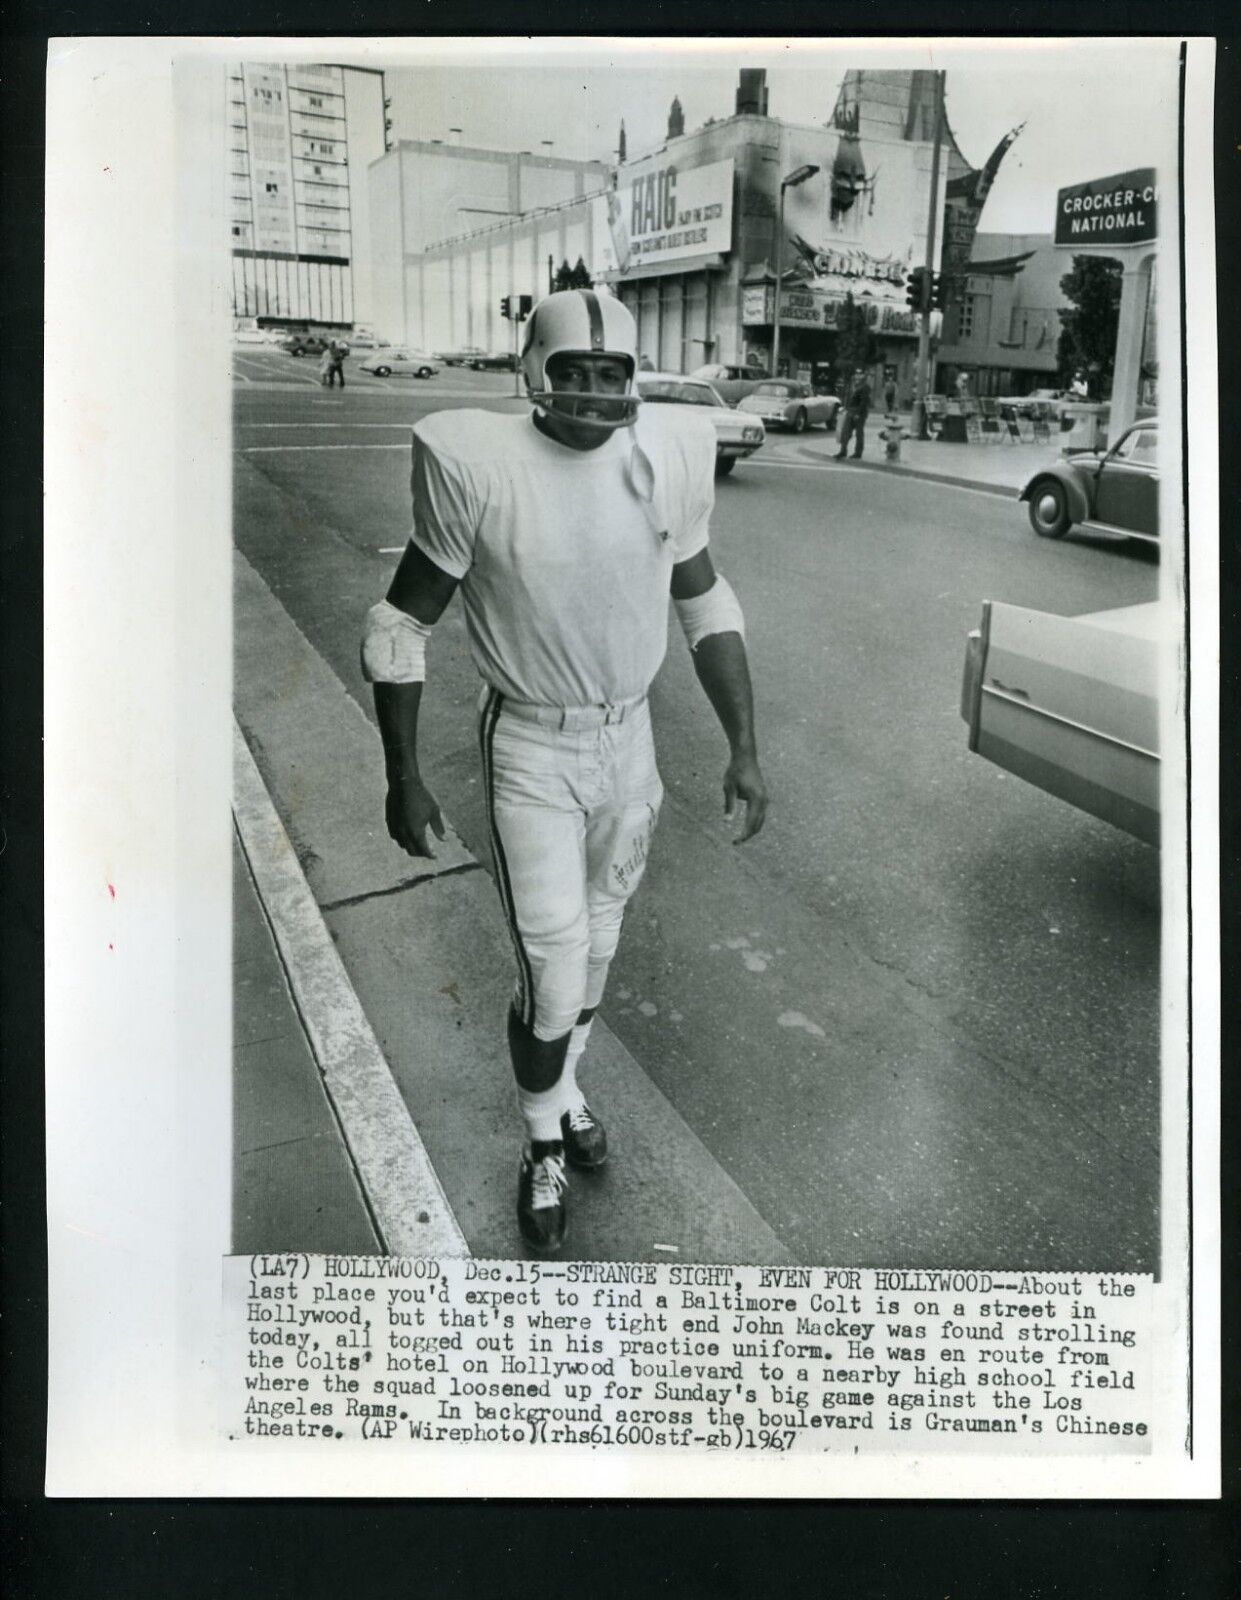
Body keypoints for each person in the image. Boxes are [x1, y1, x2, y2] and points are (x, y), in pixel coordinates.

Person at [360, 288, 769, 1255]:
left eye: (611, 373)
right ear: (535, 375)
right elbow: (399, 624)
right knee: (551, 970)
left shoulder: (664, 457)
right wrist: (402, 774)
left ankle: (566, 1091)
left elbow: (706, 607)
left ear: (632, 378)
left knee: (597, 947)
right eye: (575, 373)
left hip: (629, 742)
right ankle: (542, 1134)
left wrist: (744, 746)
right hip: (532, 748)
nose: (594, 391)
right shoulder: (480, 464)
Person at [835, 367, 872, 459]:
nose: (858, 376)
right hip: (850, 411)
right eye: (857, 374)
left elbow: (864, 402)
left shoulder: (865, 387)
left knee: (859, 433)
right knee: (845, 432)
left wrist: (858, 413)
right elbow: (848, 398)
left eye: (860, 374)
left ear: (864, 375)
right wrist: (845, 408)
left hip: (859, 413)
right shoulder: (852, 385)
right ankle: (843, 451)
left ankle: (858, 452)